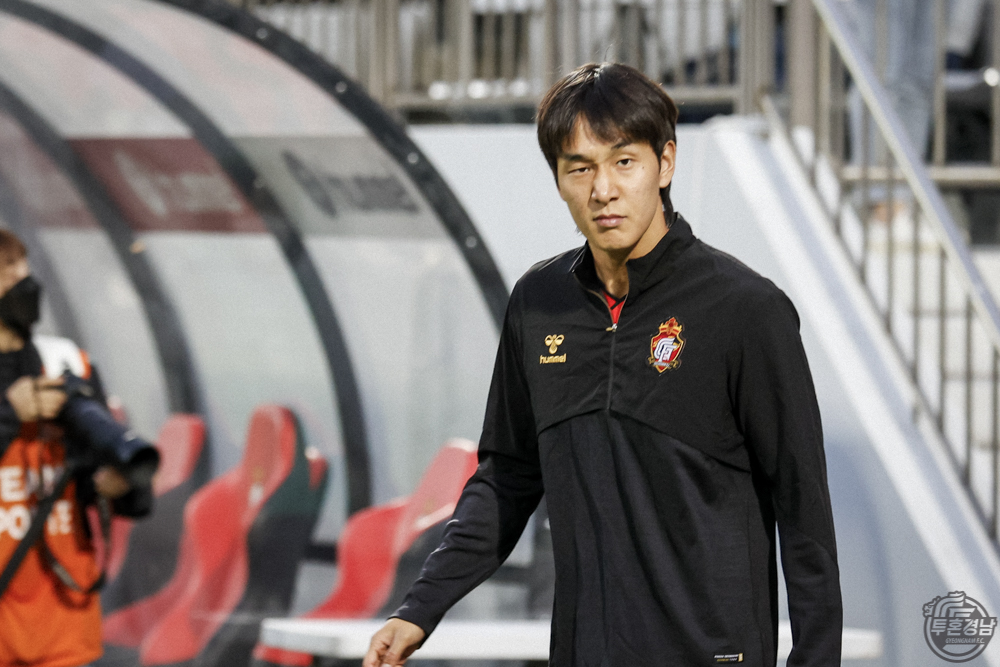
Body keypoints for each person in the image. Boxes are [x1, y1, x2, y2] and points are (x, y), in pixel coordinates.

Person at [365, 62, 842, 667]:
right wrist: (419, 608)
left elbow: (803, 508)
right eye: (580, 168)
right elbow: (507, 477)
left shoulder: (745, 310)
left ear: (665, 164)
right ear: (558, 179)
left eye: (624, 162)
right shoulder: (538, 304)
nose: (603, 189)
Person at [0, 230, 154, 667]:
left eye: (24, 266)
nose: (24, 279)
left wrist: (120, 486)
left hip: (61, 616)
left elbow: (108, 479)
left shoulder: (64, 362)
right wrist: (10, 414)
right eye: (6, 269)